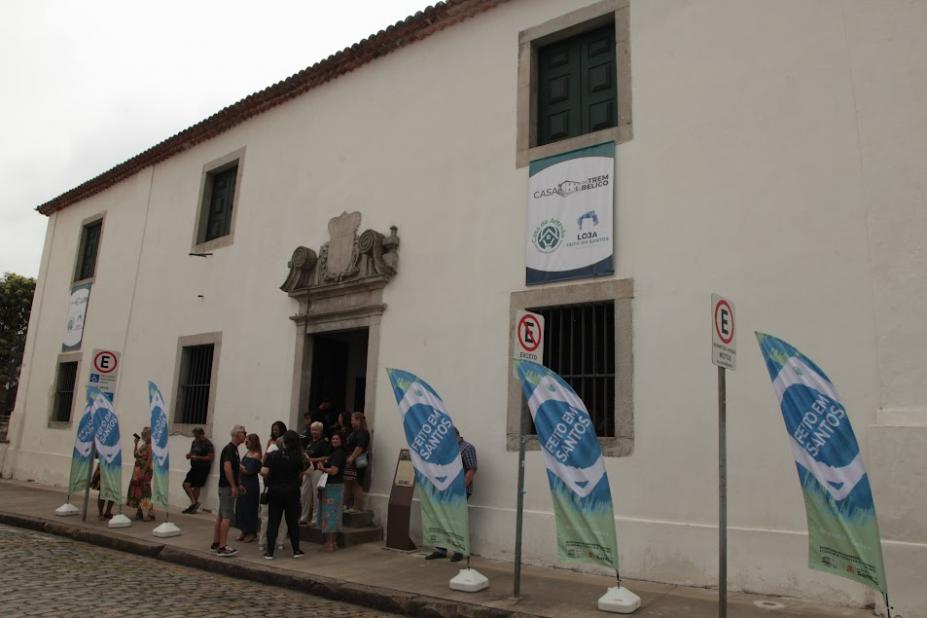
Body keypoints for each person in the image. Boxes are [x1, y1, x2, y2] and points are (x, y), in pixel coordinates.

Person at [426, 426, 477, 562]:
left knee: (456, 521)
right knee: (441, 519)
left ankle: (458, 550)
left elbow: (471, 469)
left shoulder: (467, 448)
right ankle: (441, 549)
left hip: (459, 492)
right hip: (444, 490)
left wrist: (461, 487)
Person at [261, 430, 306, 559]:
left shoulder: (273, 455)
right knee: (292, 520)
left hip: (275, 490)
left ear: (284, 441)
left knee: (273, 520)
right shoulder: (299, 456)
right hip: (292, 490)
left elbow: (264, 472)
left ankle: (269, 551)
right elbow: (307, 470)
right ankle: (296, 550)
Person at [212, 425, 246, 557]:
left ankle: (216, 542)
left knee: (221, 515)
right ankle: (222, 546)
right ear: (237, 435)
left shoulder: (234, 450)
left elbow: (235, 468)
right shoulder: (229, 450)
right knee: (227, 516)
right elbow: (227, 468)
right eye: (244, 433)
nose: (245, 435)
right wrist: (233, 486)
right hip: (226, 487)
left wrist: (238, 484)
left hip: (227, 485)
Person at [317, 431, 347, 552]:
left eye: (337, 439)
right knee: (334, 514)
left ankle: (330, 543)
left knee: (330, 515)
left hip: (333, 486)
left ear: (341, 441)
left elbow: (334, 470)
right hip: (335, 486)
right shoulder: (335, 453)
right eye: (333, 439)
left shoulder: (339, 454)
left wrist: (322, 468)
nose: (334, 441)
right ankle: (332, 542)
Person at [299, 421, 330, 526]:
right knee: (304, 494)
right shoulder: (309, 442)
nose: (313, 432)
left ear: (321, 431)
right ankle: (304, 517)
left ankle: (315, 519)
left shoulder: (324, 443)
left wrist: (313, 459)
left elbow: (326, 457)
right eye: (312, 430)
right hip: (307, 471)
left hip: (317, 470)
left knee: (316, 495)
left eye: (316, 430)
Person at [235, 433, 262, 543]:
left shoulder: (256, 455)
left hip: (251, 484)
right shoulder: (247, 453)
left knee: (249, 507)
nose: (246, 443)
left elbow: (249, 471)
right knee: (241, 507)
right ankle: (243, 530)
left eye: (248, 441)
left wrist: (238, 465)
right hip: (243, 482)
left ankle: (251, 532)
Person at [182, 427, 214, 514]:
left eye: (197, 436)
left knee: (197, 486)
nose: (196, 438)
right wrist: (189, 455)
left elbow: (211, 457)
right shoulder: (194, 442)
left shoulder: (208, 444)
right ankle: (194, 502)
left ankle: (193, 506)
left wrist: (198, 457)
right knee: (185, 484)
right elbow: (192, 452)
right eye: (195, 436)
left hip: (203, 468)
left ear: (202, 434)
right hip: (194, 467)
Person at [343, 412, 370, 514]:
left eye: (352, 420)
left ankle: (357, 507)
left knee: (357, 483)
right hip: (350, 459)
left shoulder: (363, 432)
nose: (351, 422)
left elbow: (360, 447)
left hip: (359, 460)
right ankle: (347, 504)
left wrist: (352, 457)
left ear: (358, 420)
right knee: (348, 482)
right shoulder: (354, 432)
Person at [127, 426, 155, 521]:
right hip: (138, 470)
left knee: (145, 491)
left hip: (144, 471)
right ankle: (139, 512)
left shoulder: (150, 445)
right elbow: (135, 455)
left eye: (146, 434)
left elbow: (150, 459)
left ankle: (151, 513)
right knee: (139, 491)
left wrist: (143, 471)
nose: (144, 436)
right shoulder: (144, 445)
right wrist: (136, 444)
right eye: (143, 434)